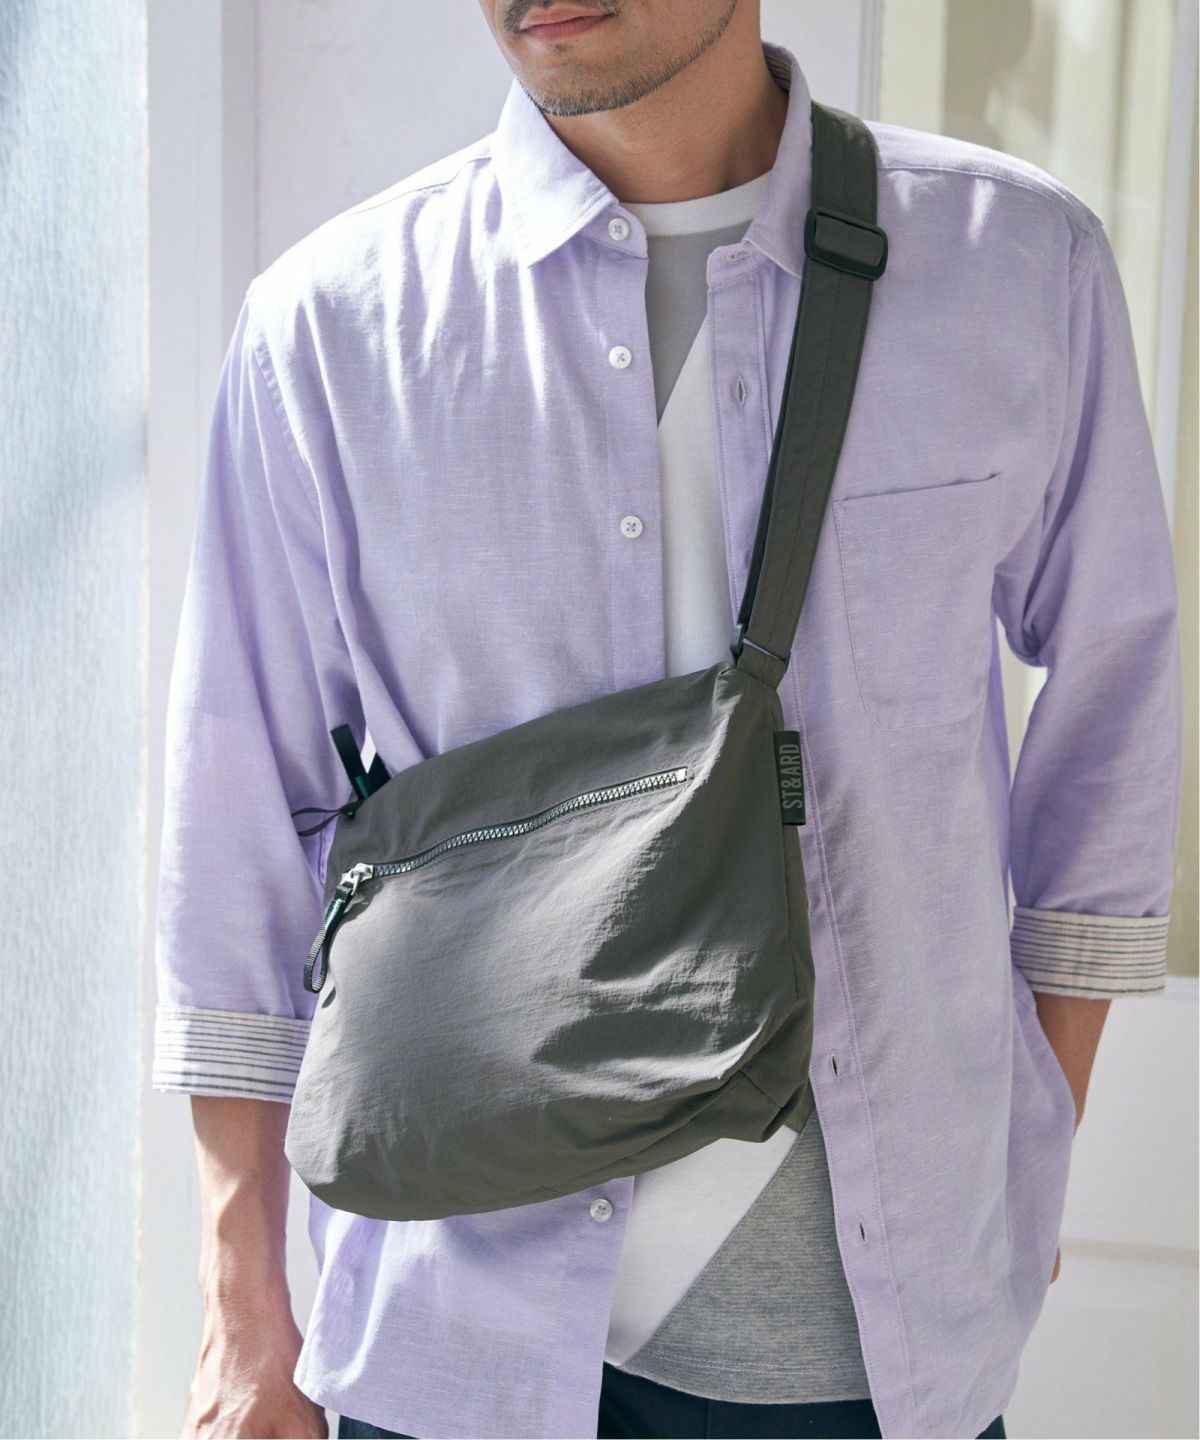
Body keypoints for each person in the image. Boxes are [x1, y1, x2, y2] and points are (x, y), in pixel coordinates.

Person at [153, 2, 1183, 1438]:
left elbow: (1116, 706)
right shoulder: (333, 328)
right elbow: (238, 823)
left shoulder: (1012, 264)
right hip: (457, 1333)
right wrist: (241, 1302)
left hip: (871, 1346)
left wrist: (1031, 1137)